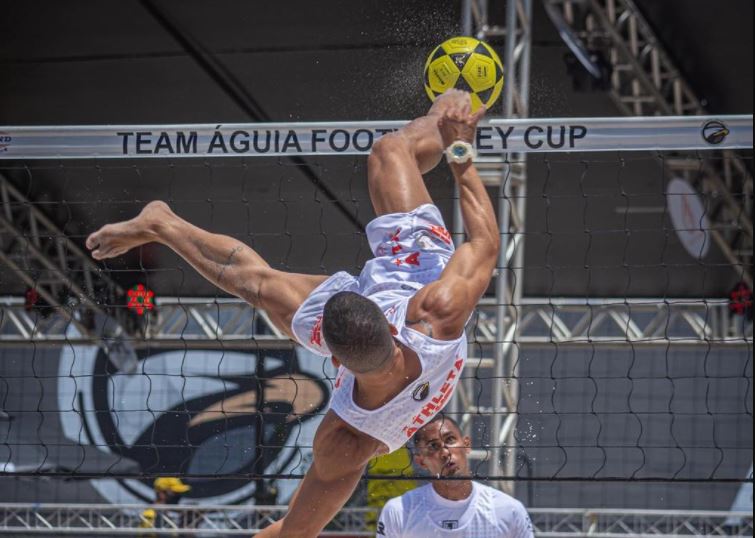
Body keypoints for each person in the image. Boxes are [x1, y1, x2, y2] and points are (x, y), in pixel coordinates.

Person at [86, 89, 499, 537]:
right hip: (413, 277)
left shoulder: (347, 436)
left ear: (332, 356)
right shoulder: (438, 311)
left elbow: (289, 535)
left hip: (399, 284)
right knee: (389, 150)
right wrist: (460, 146)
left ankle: (162, 224)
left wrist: (460, 148)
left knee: (262, 282)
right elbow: (484, 242)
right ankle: (447, 116)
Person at [377, 415, 534, 537]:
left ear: (466, 445)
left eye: (450, 440)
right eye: (433, 446)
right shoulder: (399, 511)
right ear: (421, 461)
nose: (445, 452)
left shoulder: (508, 510)